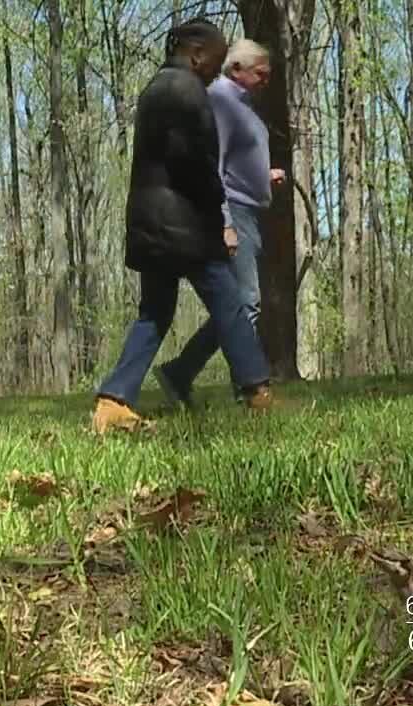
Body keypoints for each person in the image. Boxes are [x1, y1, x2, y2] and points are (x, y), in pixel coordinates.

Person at [91, 19, 274, 434]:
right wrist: (217, 215)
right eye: (215, 57)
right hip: (185, 225)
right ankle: (256, 390)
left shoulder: (156, 88)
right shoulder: (187, 91)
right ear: (196, 53)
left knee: (155, 311)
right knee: (231, 303)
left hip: (150, 222)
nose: (217, 68)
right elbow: (194, 163)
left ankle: (114, 399)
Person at [151, 38, 287, 408]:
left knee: (239, 304)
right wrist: (225, 221)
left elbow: (235, 162)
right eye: (261, 74)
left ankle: (184, 373)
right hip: (235, 213)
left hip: (248, 212)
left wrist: (263, 175)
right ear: (237, 69)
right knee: (244, 304)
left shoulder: (240, 106)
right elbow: (213, 164)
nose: (265, 82)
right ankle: (245, 389)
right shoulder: (223, 103)